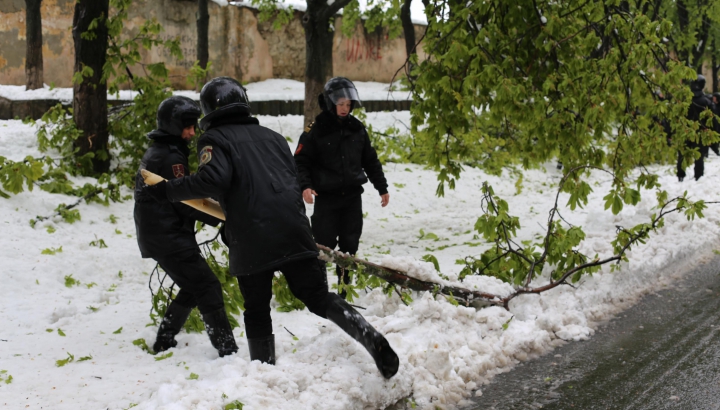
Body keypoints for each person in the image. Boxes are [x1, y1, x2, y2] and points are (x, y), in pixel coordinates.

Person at [143, 77, 399, 379]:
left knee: (257, 309)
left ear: (209, 110)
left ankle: (265, 375)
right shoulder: (273, 136)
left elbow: (213, 180)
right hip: (295, 229)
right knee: (317, 297)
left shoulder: (215, 140)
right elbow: (290, 179)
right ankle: (370, 337)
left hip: (253, 239)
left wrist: (169, 190)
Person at [133, 96, 238, 357]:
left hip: (160, 235)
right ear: (172, 125)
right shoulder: (169, 157)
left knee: (194, 287)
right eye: (187, 126)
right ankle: (226, 349)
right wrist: (223, 217)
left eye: (194, 126)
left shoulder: (161, 151)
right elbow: (184, 200)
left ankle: (164, 340)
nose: (192, 132)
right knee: (208, 286)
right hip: (168, 236)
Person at [294, 77, 389, 298]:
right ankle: (318, 291)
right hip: (326, 198)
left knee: (349, 246)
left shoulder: (357, 129)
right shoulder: (315, 129)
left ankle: (344, 290)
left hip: (352, 198)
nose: (345, 109)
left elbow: (371, 161)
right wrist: (305, 186)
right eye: (340, 104)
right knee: (322, 246)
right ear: (330, 103)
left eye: (348, 104)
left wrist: (381, 187)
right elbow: (300, 161)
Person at [677, 74, 714, 181]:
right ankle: (698, 176)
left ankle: (681, 175)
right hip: (700, 132)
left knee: (682, 154)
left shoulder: (684, 99)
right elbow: (711, 119)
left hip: (685, 131)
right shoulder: (706, 101)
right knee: (699, 156)